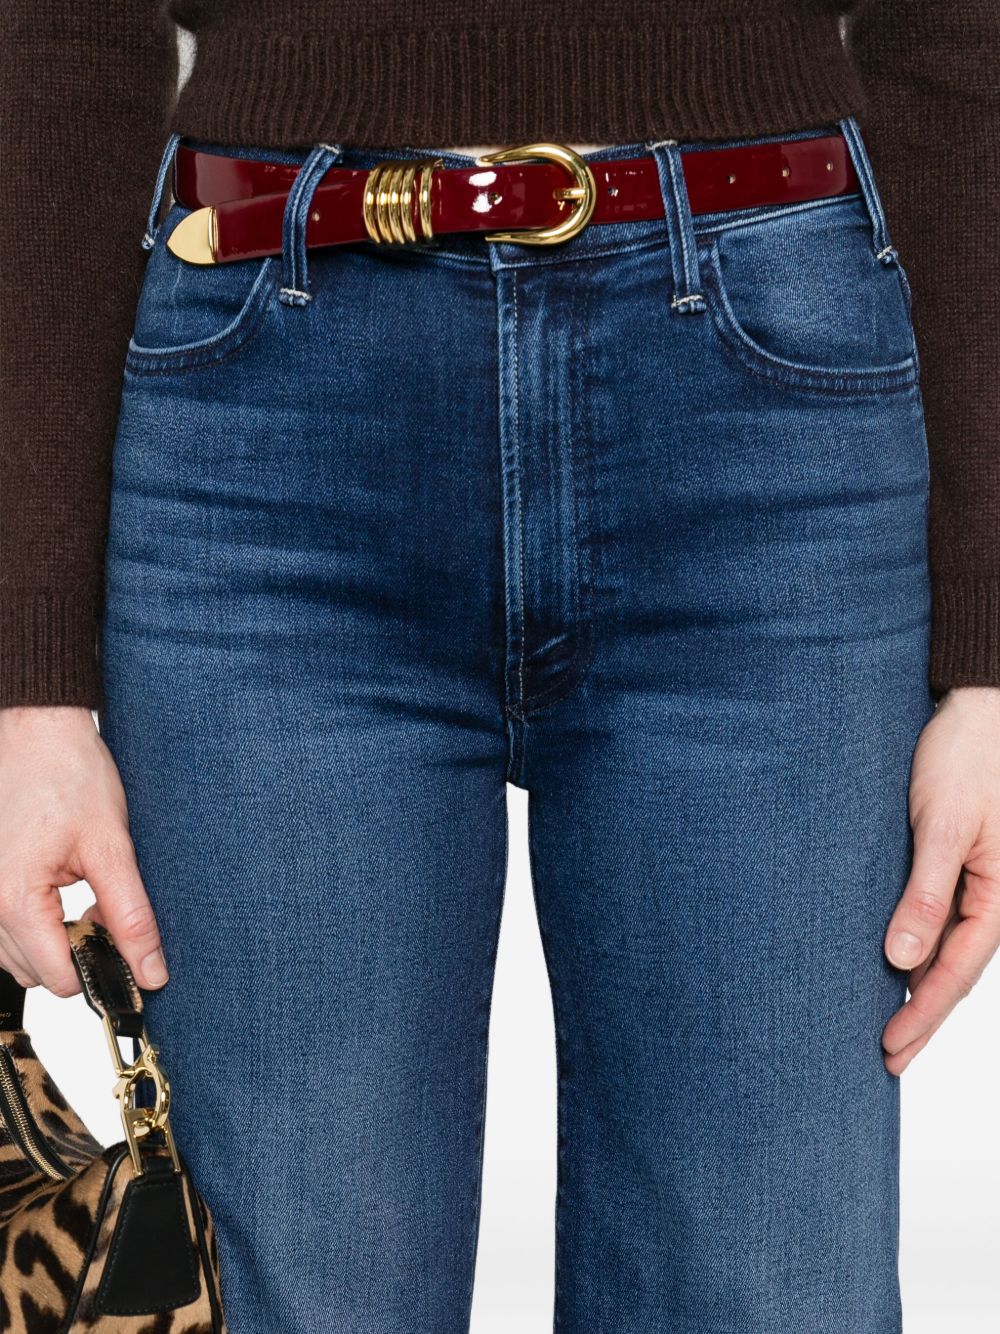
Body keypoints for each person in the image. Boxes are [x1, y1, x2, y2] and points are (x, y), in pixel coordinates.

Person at [1, 3, 997, 1331]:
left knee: (766, 1295)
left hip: (766, 419)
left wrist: (991, 662)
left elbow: (959, 37)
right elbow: (62, 36)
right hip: (264, 419)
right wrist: (29, 684)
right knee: (283, 1300)